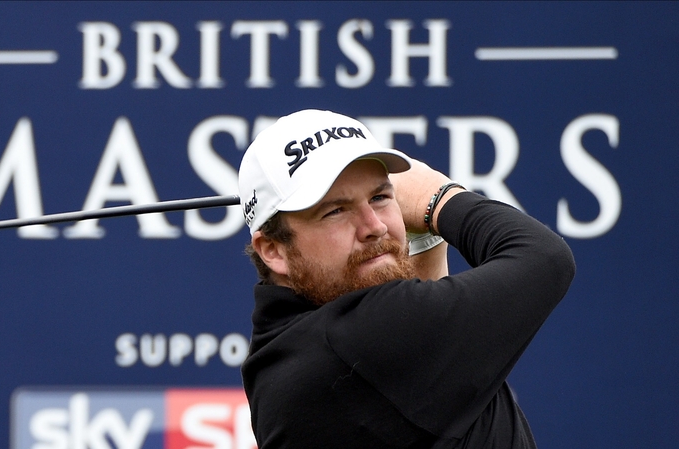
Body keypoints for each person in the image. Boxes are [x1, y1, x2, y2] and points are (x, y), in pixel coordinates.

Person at [237, 109, 576, 448]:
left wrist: (424, 239)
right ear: (273, 249)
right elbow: (544, 257)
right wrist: (438, 199)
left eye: (380, 197)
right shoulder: (364, 335)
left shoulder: (278, 352)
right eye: (335, 211)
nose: (374, 226)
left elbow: (433, 365)